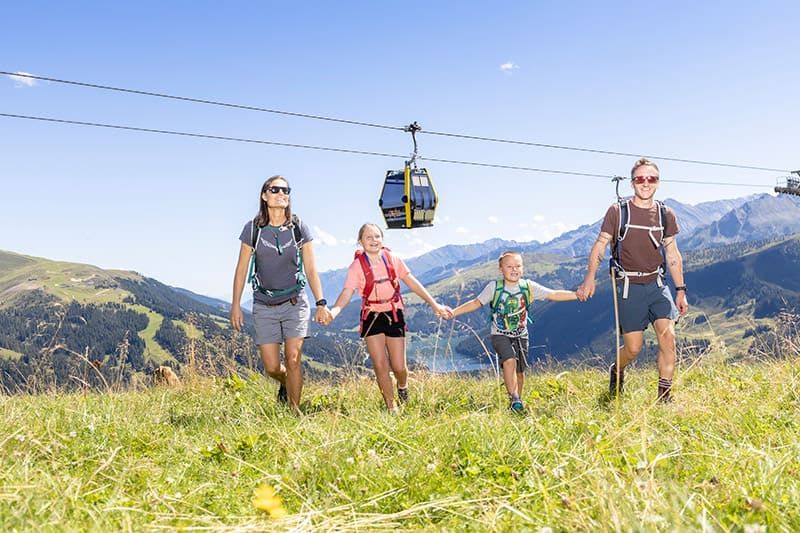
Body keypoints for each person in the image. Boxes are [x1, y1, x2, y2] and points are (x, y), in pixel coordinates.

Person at [576, 158, 689, 403]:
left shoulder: (665, 214)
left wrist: (680, 289)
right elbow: (600, 244)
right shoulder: (618, 212)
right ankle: (617, 368)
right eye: (640, 178)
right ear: (632, 182)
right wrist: (589, 278)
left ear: (658, 183)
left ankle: (664, 397)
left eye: (652, 179)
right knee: (633, 349)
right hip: (629, 287)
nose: (646, 183)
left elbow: (672, 254)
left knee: (668, 337)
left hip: (658, 285)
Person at [230, 175, 331, 414]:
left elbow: (311, 267)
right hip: (264, 304)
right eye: (275, 190)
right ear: (264, 196)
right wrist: (235, 304)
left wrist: (321, 302)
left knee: (294, 358)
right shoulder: (253, 229)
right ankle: (287, 384)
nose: (281, 193)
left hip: (295, 301)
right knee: (273, 367)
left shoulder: (298, 227)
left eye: (286, 190)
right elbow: (241, 268)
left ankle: (294, 412)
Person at [322, 223, 448, 412]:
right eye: (368, 237)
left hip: (394, 313)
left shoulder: (393, 259)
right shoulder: (356, 267)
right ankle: (391, 407)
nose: (374, 240)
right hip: (372, 316)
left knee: (399, 367)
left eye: (377, 237)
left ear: (382, 239)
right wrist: (334, 311)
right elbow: (347, 293)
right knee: (380, 365)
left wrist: (434, 304)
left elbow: (412, 283)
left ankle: (402, 386)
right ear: (360, 242)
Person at [444, 251, 577, 412]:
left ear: (523, 268)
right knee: (510, 361)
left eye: (518, 266)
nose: (514, 270)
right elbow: (476, 303)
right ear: (501, 269)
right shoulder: (494, 287)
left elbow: (553, 294)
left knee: (520, 373)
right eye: (509, 266)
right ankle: (515, 398)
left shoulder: (528, 287)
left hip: (521, 335)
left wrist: (577, 295)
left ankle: (516, 403)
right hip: (499, 334)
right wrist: (454, 312)